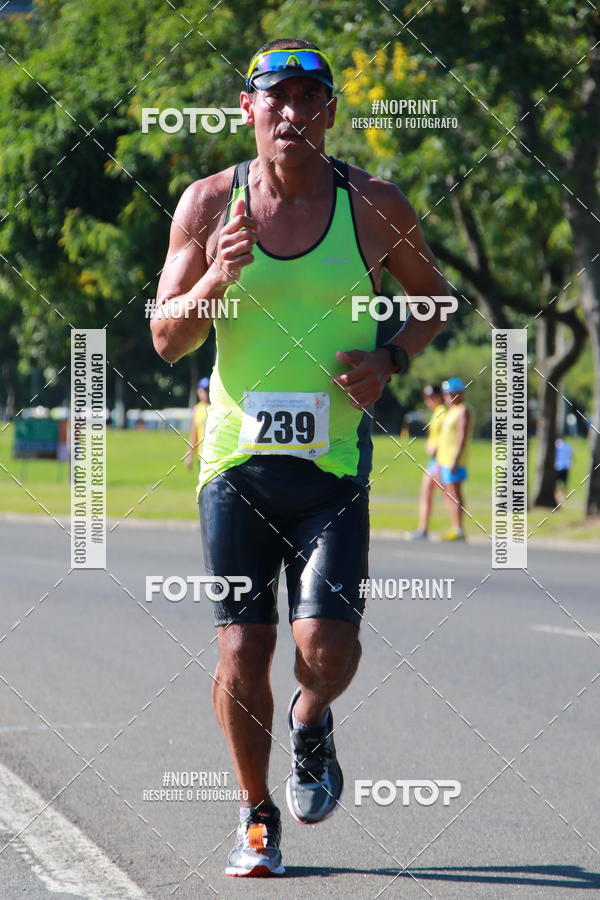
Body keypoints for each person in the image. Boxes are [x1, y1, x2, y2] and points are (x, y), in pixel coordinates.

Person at [151, 38, 450, 877]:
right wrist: (213, 279)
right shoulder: (209, 204)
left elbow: (431, 299)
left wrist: (390, 359)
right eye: (274, 98)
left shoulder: (374, 204)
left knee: (325, 647)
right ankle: (255, 814)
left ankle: (312, 717)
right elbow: (167, 339)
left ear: (329, 112)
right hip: (235, 464)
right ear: (248, 109)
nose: (291, 112)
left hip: (333, 465)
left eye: (309, 98)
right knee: (241, 650)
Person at [406, 384, 446, 539]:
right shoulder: (437, 411)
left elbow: (445, 434)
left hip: (439, 459)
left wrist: (435, 447)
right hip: (434, 460)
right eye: (427, 397)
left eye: (432, 397)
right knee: (429, 493)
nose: (429, 400)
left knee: (436, 493)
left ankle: (425, 530)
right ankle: (423, 529)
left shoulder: (442, 412)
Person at [437, 378, 473, 541]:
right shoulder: (450, 411)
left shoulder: (462, 411)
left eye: (450, 394)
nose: (447, 397)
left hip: (454, 461)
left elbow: (461, 437)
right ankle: (454, 525)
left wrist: (455, 459)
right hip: (444, 459)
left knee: (455, 493)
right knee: (448, 493)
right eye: (446, 394)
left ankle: (458, 528)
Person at [185, 377, 211, 470]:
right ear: (199, 391)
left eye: (208, 390)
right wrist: (189, 456)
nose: (207, 393)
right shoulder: (197, 409)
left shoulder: (218, 406)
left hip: (217, 455)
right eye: (204, 390)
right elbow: (194, 434)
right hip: (202, 456)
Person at [554, 436, 574, 503]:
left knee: (556, 483)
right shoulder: (568, 446)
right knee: (564, 484)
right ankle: (564, 497)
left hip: (557, 466)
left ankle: (558, 496)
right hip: (566, 467)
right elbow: (571, 456)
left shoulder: (556, 445)